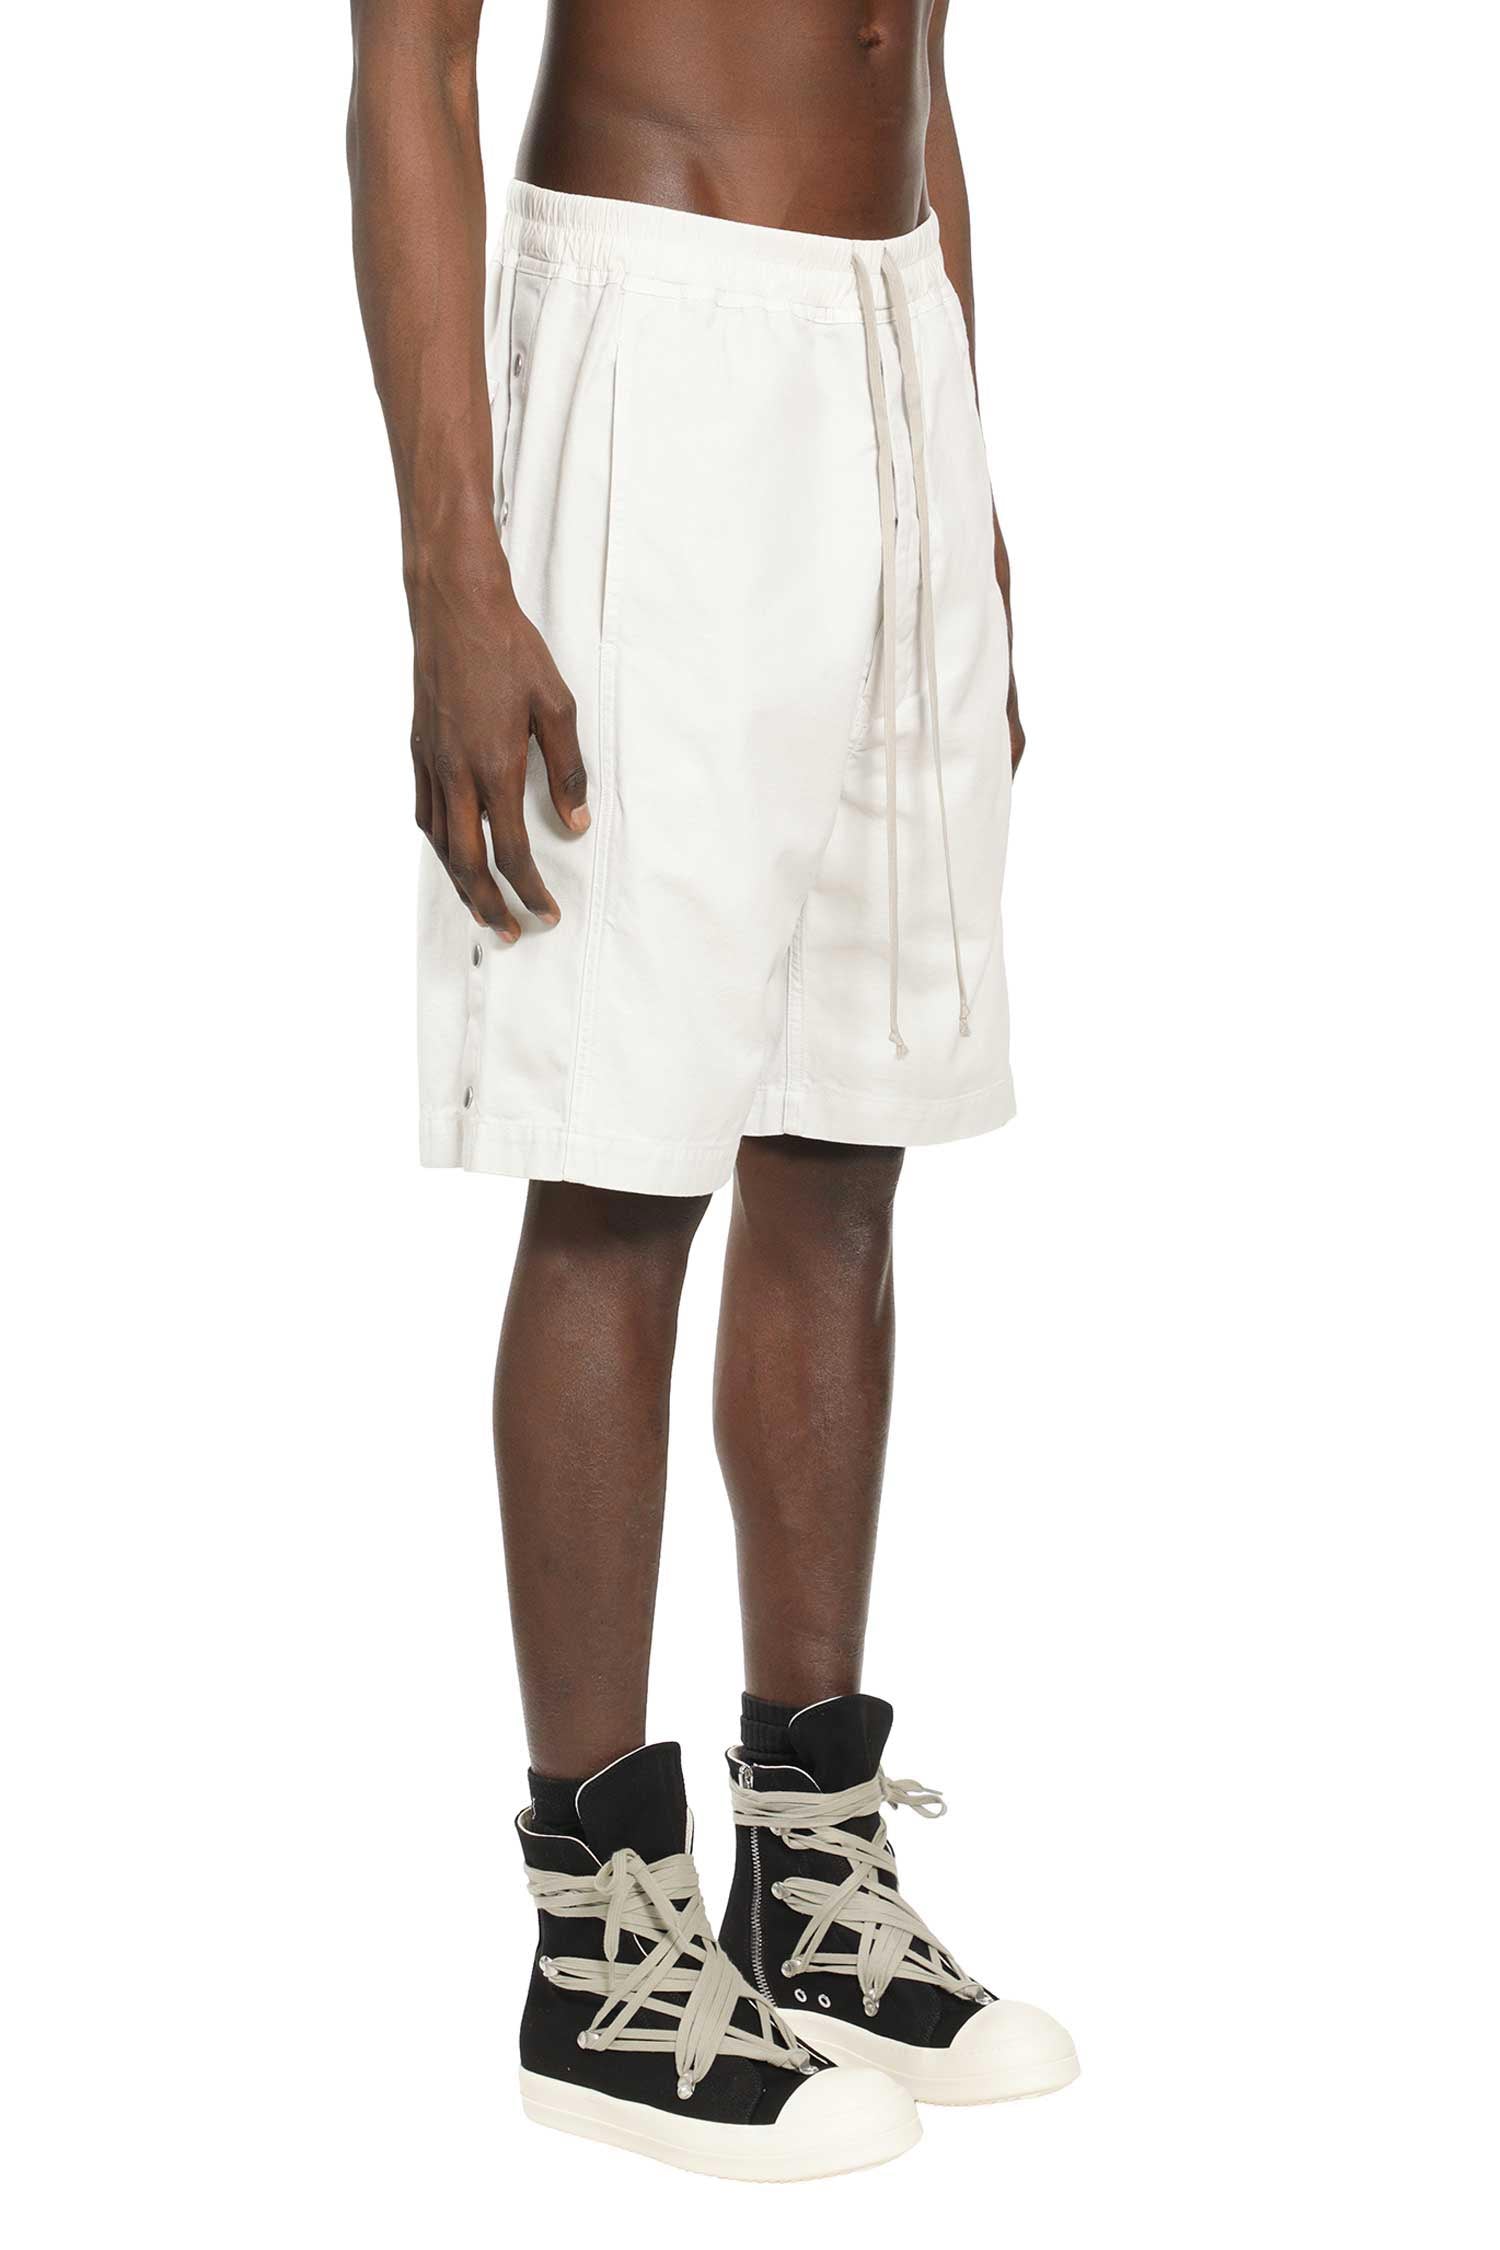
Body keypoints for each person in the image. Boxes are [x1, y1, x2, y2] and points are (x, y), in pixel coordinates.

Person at [348, 0, 1075, 2179]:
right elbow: (410, 72)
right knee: (621, 1162)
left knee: (847, 1140)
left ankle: (807, 1875)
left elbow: (919, 66)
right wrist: (452, 572)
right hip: (656, 337)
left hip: (891, 337)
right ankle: (598, 1948)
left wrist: (964, 463)